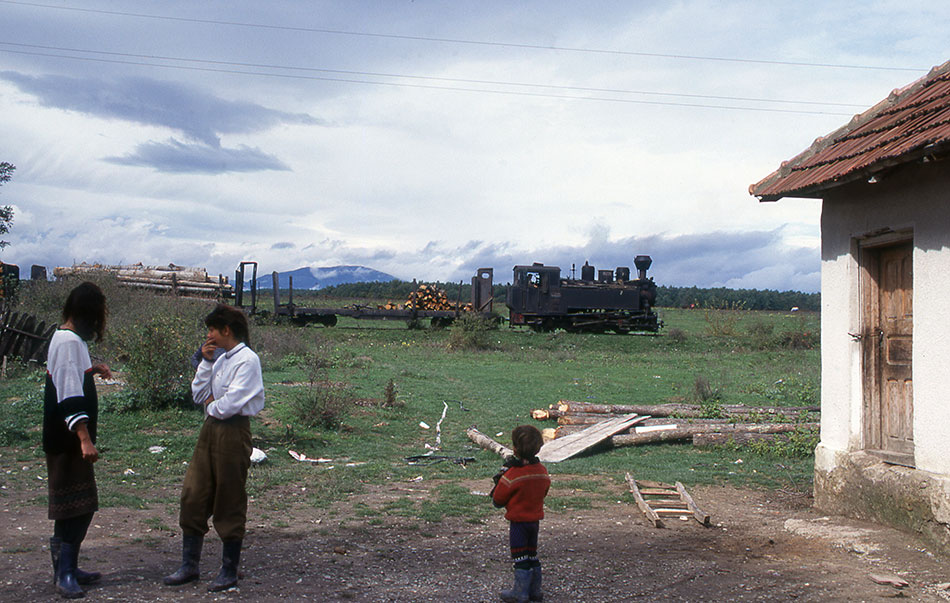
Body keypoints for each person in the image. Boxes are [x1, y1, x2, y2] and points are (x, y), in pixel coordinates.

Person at [164, 304, 264, 592]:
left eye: (211, 330)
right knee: (193, 492)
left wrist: (211, 406)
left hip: (233, 432)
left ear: (226, 330)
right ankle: (189, 566)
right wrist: (206, 363)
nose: (208, 336)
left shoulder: (247, 360)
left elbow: (230, 405)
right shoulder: (219, 360)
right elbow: (198, 394)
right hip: (210, 431)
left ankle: (229, 569)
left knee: (229, 496)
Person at [44, 281, 112, 599]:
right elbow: (69, 394)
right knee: (78, 508)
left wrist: (92, 369)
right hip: (68, 439)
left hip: (65, 438)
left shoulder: (67, 339)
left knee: (73, 506)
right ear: (88, 314)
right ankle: (65, 573)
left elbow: (69, 376)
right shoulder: (69, 343)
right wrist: (84, 438)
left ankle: (66, 568)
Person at [491, 425, 551, 603]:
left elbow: (498, 499)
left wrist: (500, 479)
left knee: (520, 557)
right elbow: (544, 489)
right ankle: (535, 591)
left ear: (515, 449)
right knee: (532, 554)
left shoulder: (512, 474)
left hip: (518, 523)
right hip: (534, 521)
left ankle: (520, 593)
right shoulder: (542, 471)